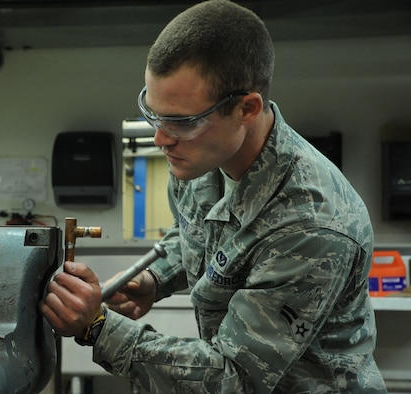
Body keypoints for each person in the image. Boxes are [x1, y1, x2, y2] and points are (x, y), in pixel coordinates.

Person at [40, 0, 387, 392]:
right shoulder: (201, 159)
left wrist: (97, 327)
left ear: (246, 109)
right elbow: (197, 232)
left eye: (181, 122)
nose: (160, 139)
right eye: (153, 114)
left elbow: (235, 377)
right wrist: (155, 278)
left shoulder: (311, 224)